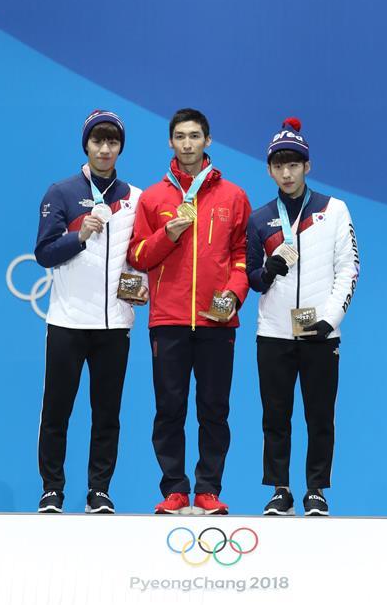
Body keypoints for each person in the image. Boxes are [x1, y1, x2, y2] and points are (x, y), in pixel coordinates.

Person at [128, 108, 250, 516]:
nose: (187, 143)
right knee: (169, 408)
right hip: (169, 319)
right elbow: (139, 255)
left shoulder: (233, 196)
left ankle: (208, 490)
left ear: (208, 141)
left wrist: (233, 294)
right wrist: (170, 232)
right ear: (170, 142)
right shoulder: (153, 198)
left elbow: (241, 257)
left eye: (195, 136)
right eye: (180, 136)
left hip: (217, 320)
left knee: (215, 409)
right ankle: (175, 489)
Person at [34, 110, 147, 515]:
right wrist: (78, 237)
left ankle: (99, 490)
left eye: (112, 142)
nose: (104, 149)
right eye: (97, 141)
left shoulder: (135, 198)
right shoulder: (61, 193)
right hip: (67, 321)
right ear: (86, 145)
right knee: (57, 411)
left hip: (115, 325)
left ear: (120, 148)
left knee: (107, 414)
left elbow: (139, 255)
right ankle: (52, 489)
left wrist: (140, 281)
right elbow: (44, 254)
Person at [246, 117, 359, 517]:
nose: (287, 172)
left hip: (321, 335)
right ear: (270, 170)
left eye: (294, 164)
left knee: (319, 416)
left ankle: (316, 489)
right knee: (275, 417)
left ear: (307, 166)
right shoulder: (260, 219)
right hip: (274, 333)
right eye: (279, 165)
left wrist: (329, 320)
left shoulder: (333, 210)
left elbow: (349, 268)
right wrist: (270, 268)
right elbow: (252, 280)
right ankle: (280, 489)